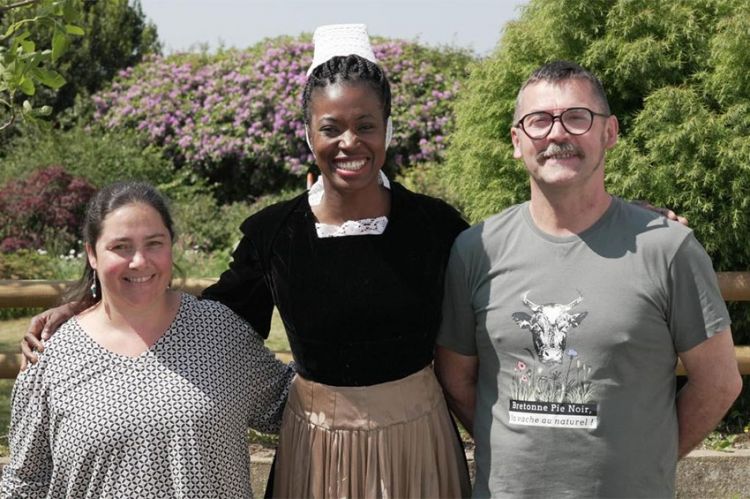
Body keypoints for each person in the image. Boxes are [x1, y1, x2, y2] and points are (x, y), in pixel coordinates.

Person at [434, 60, 743, 498]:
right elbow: (457, 380)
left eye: (577, 117)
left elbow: (719, 382)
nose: (557, 134)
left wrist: (644, 461)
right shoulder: (476, 250)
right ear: (516, 141)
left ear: (610, 132)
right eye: (538, 121)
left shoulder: (668, 248)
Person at [2, 181, 294, 498]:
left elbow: (291, 407)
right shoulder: (50, 354)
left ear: (172, 246)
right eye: (121, 246)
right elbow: (25, 484)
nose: (139, 261)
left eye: (154, 243)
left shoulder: (222, 333)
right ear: (92, 253)